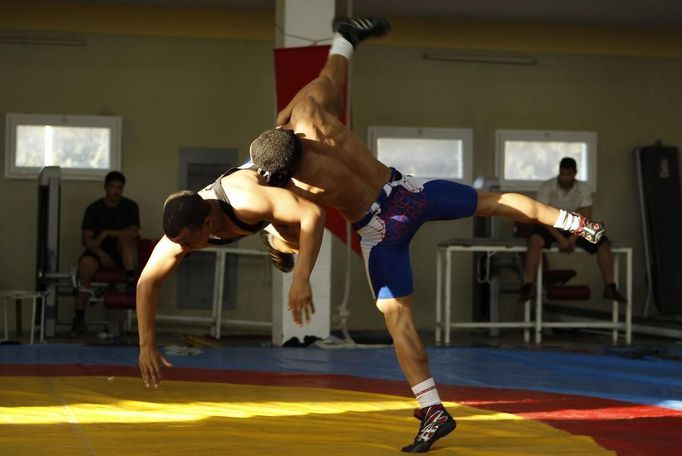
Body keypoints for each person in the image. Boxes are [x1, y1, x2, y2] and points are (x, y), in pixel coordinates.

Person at [249, 17, 606, 453]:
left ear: (280, 169)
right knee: (492, 201)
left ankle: (433, 408)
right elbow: (330, 77)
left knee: (397, 319)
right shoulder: (307, 110)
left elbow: (307, 225)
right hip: (407, 193)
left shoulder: (292, 187)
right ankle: (578, 224)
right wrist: (343, 42)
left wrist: (294, 266)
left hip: (379, 230)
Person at [136, 161, 325, 389]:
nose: (182, 248)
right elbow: (146, 284)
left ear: (208, 223)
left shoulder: (245, 200)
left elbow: (313, 213)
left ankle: (274, 235)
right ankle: (272, 229)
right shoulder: (181, 237)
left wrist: (301, 277)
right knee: (294, 236)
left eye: (186, 242)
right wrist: (146, 345)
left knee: (299, 241)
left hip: (273, 184)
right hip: (260, 212)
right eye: (178, 243)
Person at [518, 157, 626, 303]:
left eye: (568, 174)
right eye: (562, 174)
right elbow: (542, 216)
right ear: (559, 172)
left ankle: (610, 287)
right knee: (534, 241)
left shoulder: (583, 188)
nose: (565, 177)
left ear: (574, 173)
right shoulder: (546, 187)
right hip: (551, 223)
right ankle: (529, 286)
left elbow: (586, 216)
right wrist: (561, 239)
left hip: (575, 223)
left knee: (603, 242)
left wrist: (572, 239)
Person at [71, 170, 140, 338]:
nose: (116, 191)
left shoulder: (130, 206)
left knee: (125, 242)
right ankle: (79, 318)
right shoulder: (94, 209)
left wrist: (108, 233)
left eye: (119, 188)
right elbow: (86, 240)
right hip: (98, 251)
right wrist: (101, 255)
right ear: (105, 187)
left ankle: (131, 283)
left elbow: (132, 232)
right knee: (85, 266)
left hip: (122, 253)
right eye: (112, 187)